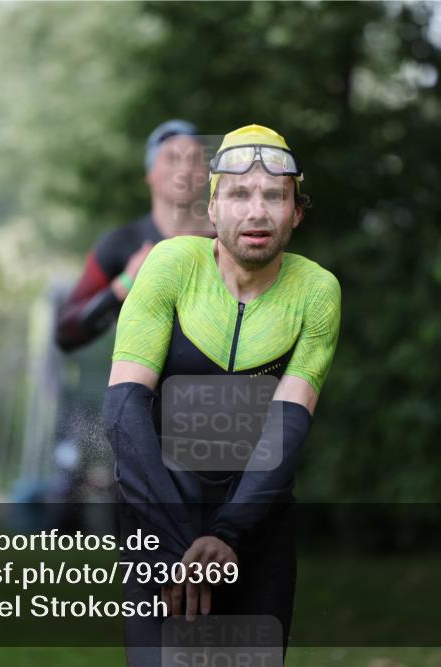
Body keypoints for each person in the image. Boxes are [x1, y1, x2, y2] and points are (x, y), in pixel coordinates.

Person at [102, 124, 341, 666]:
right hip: (158, 524)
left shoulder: (316, 291)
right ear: (212, 210)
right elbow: (123, 410)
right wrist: (176, 544)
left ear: (296, 212)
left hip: (257, 528)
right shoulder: (172, 265)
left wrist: (230, 533)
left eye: (274, 196)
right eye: (238, 194)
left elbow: (291, 421)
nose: (256, 212)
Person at [54, 119, 212, 352]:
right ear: (151, 173)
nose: (185, 169)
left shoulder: (228, 242)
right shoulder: (121, 243)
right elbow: (65, 333)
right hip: (142, 385)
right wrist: (125, 284)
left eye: (195, 159)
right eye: (172, 158)